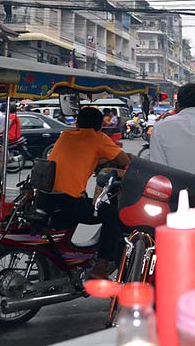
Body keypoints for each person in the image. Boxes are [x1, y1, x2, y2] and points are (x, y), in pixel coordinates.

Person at [46, 106, 133, 279]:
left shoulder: (65, 135)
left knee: (85, 200)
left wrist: (96, 159)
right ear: (100, 125)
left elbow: (82, 154)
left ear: (77, 122)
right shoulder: (97, 138)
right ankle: (100, 268)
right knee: (112, 215)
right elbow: (123, 159)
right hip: (68, 203)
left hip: (48, 199)